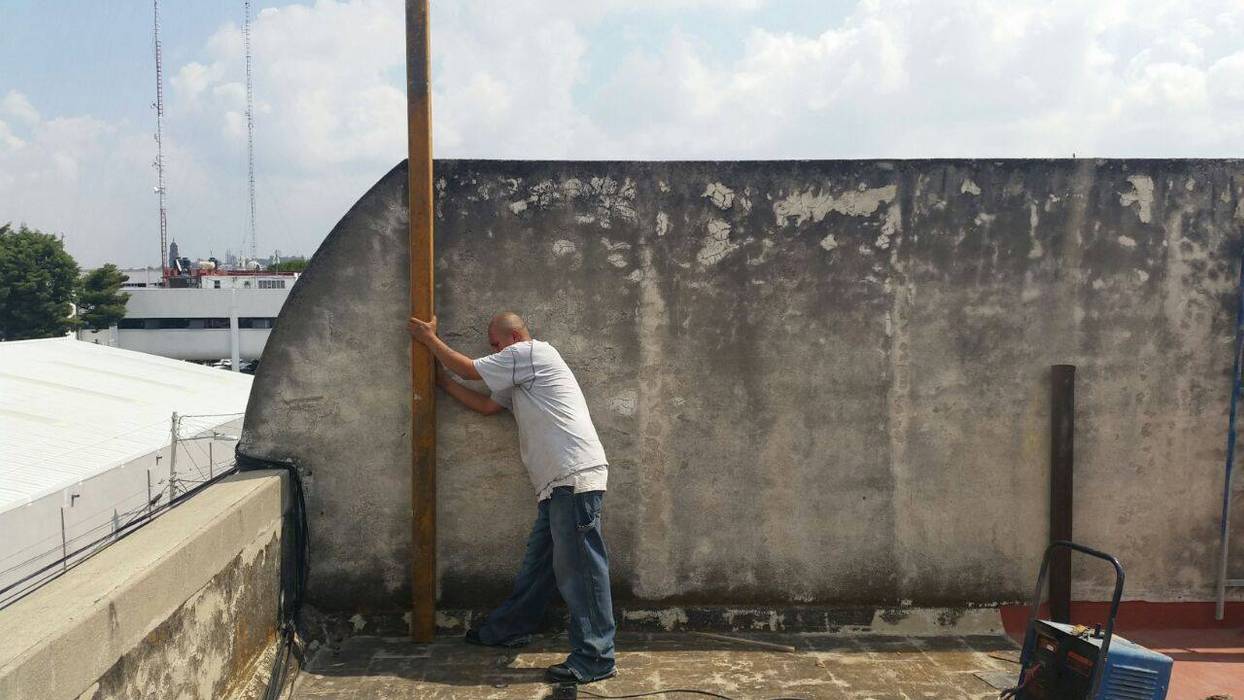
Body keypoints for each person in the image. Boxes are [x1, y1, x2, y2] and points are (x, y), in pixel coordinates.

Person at [407, 311, 617, 685]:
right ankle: (507, 628)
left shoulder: (532, 353)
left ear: (515, 336)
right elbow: (488, 405)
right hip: (556, 485)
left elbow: (471, 370)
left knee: (581, 572)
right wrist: (440, 379)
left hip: (574, 477)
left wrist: (429, 340)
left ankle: (596, 656)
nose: (492, 350)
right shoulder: (518, 374)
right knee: (539, 567)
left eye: (495, 343)